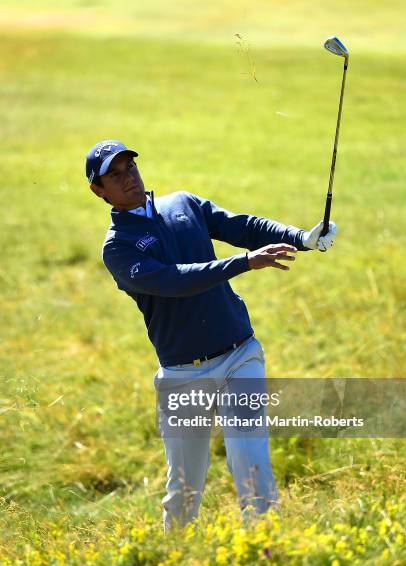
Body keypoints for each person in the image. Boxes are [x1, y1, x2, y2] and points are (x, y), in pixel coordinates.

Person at [86, 140, 337, 531]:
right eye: (113, 175)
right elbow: (175, 282)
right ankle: (173, 557)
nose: (127, 178)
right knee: (185, 488)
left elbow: (241, 226)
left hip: (239, 354)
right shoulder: (118, 249)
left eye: (129, 167)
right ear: (98, 191)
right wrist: (244, 262)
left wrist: (300, 237)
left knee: (250, 459)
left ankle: (267, 549)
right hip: (184, 374)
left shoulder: (183, 203)